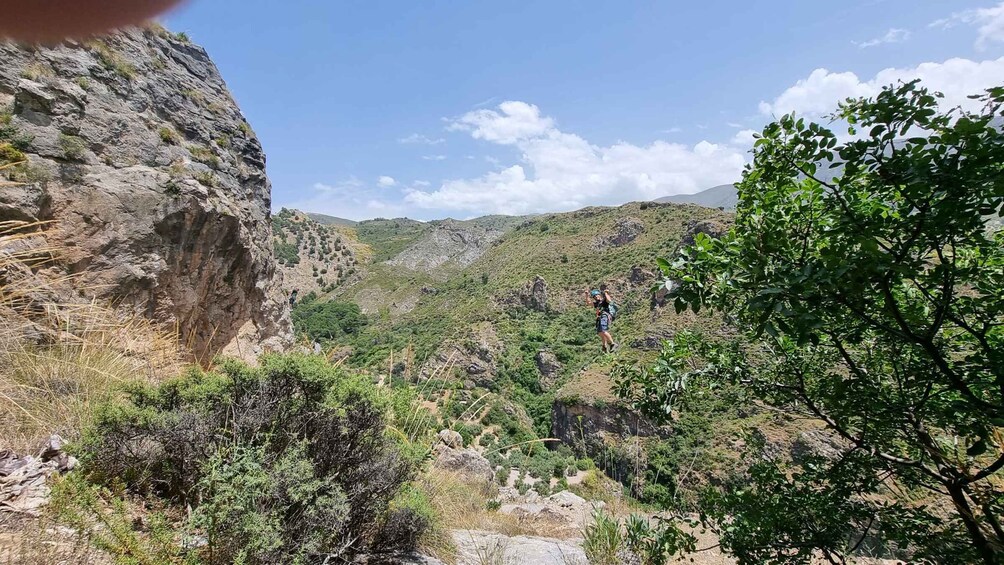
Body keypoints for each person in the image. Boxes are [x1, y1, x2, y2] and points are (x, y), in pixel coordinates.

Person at [586, 286, 618, 353]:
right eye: (594, 296)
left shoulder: (604, 301)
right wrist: (586, 295)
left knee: (603, 330)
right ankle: (604, 346)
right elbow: (589, 303)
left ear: (599, 295)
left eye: (597, 295)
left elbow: (609, 301)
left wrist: (606, 293)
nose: (596, 297)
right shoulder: (597, 304)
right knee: (600, 332)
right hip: (600, 317)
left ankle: (612, 344)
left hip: (605, 315)